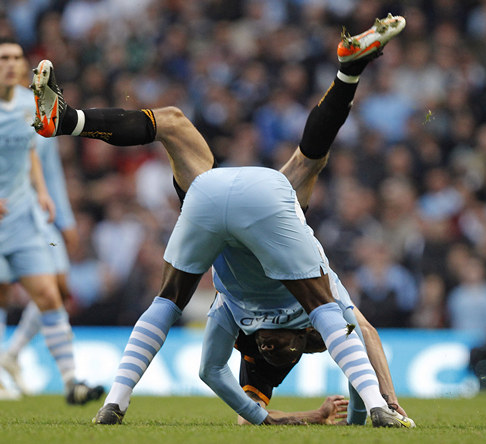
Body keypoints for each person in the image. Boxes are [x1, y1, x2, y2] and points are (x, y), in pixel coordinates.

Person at [31, 15, 414, 427]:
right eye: (278, 350)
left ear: (252, 347)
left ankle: (114, 403)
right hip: (263, 202)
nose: (270, 348)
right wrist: (381, 402)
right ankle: (348, 72)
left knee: (176, 125)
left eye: (266, 349)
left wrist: (304, 417)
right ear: (303, 343)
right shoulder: (308, 304)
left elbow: (216, 377)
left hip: (214, 196)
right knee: (310, 162)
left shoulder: (230, 312)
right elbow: (358, 333)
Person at [0, 36, 103, 404]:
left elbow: (36, 158)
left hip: (27, 215)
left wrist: (47, 197)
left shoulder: (31, 109)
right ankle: (6, 361)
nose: (11, 63)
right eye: (3, 58)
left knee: (51, 290)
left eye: (16, 58)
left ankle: (70, 381)